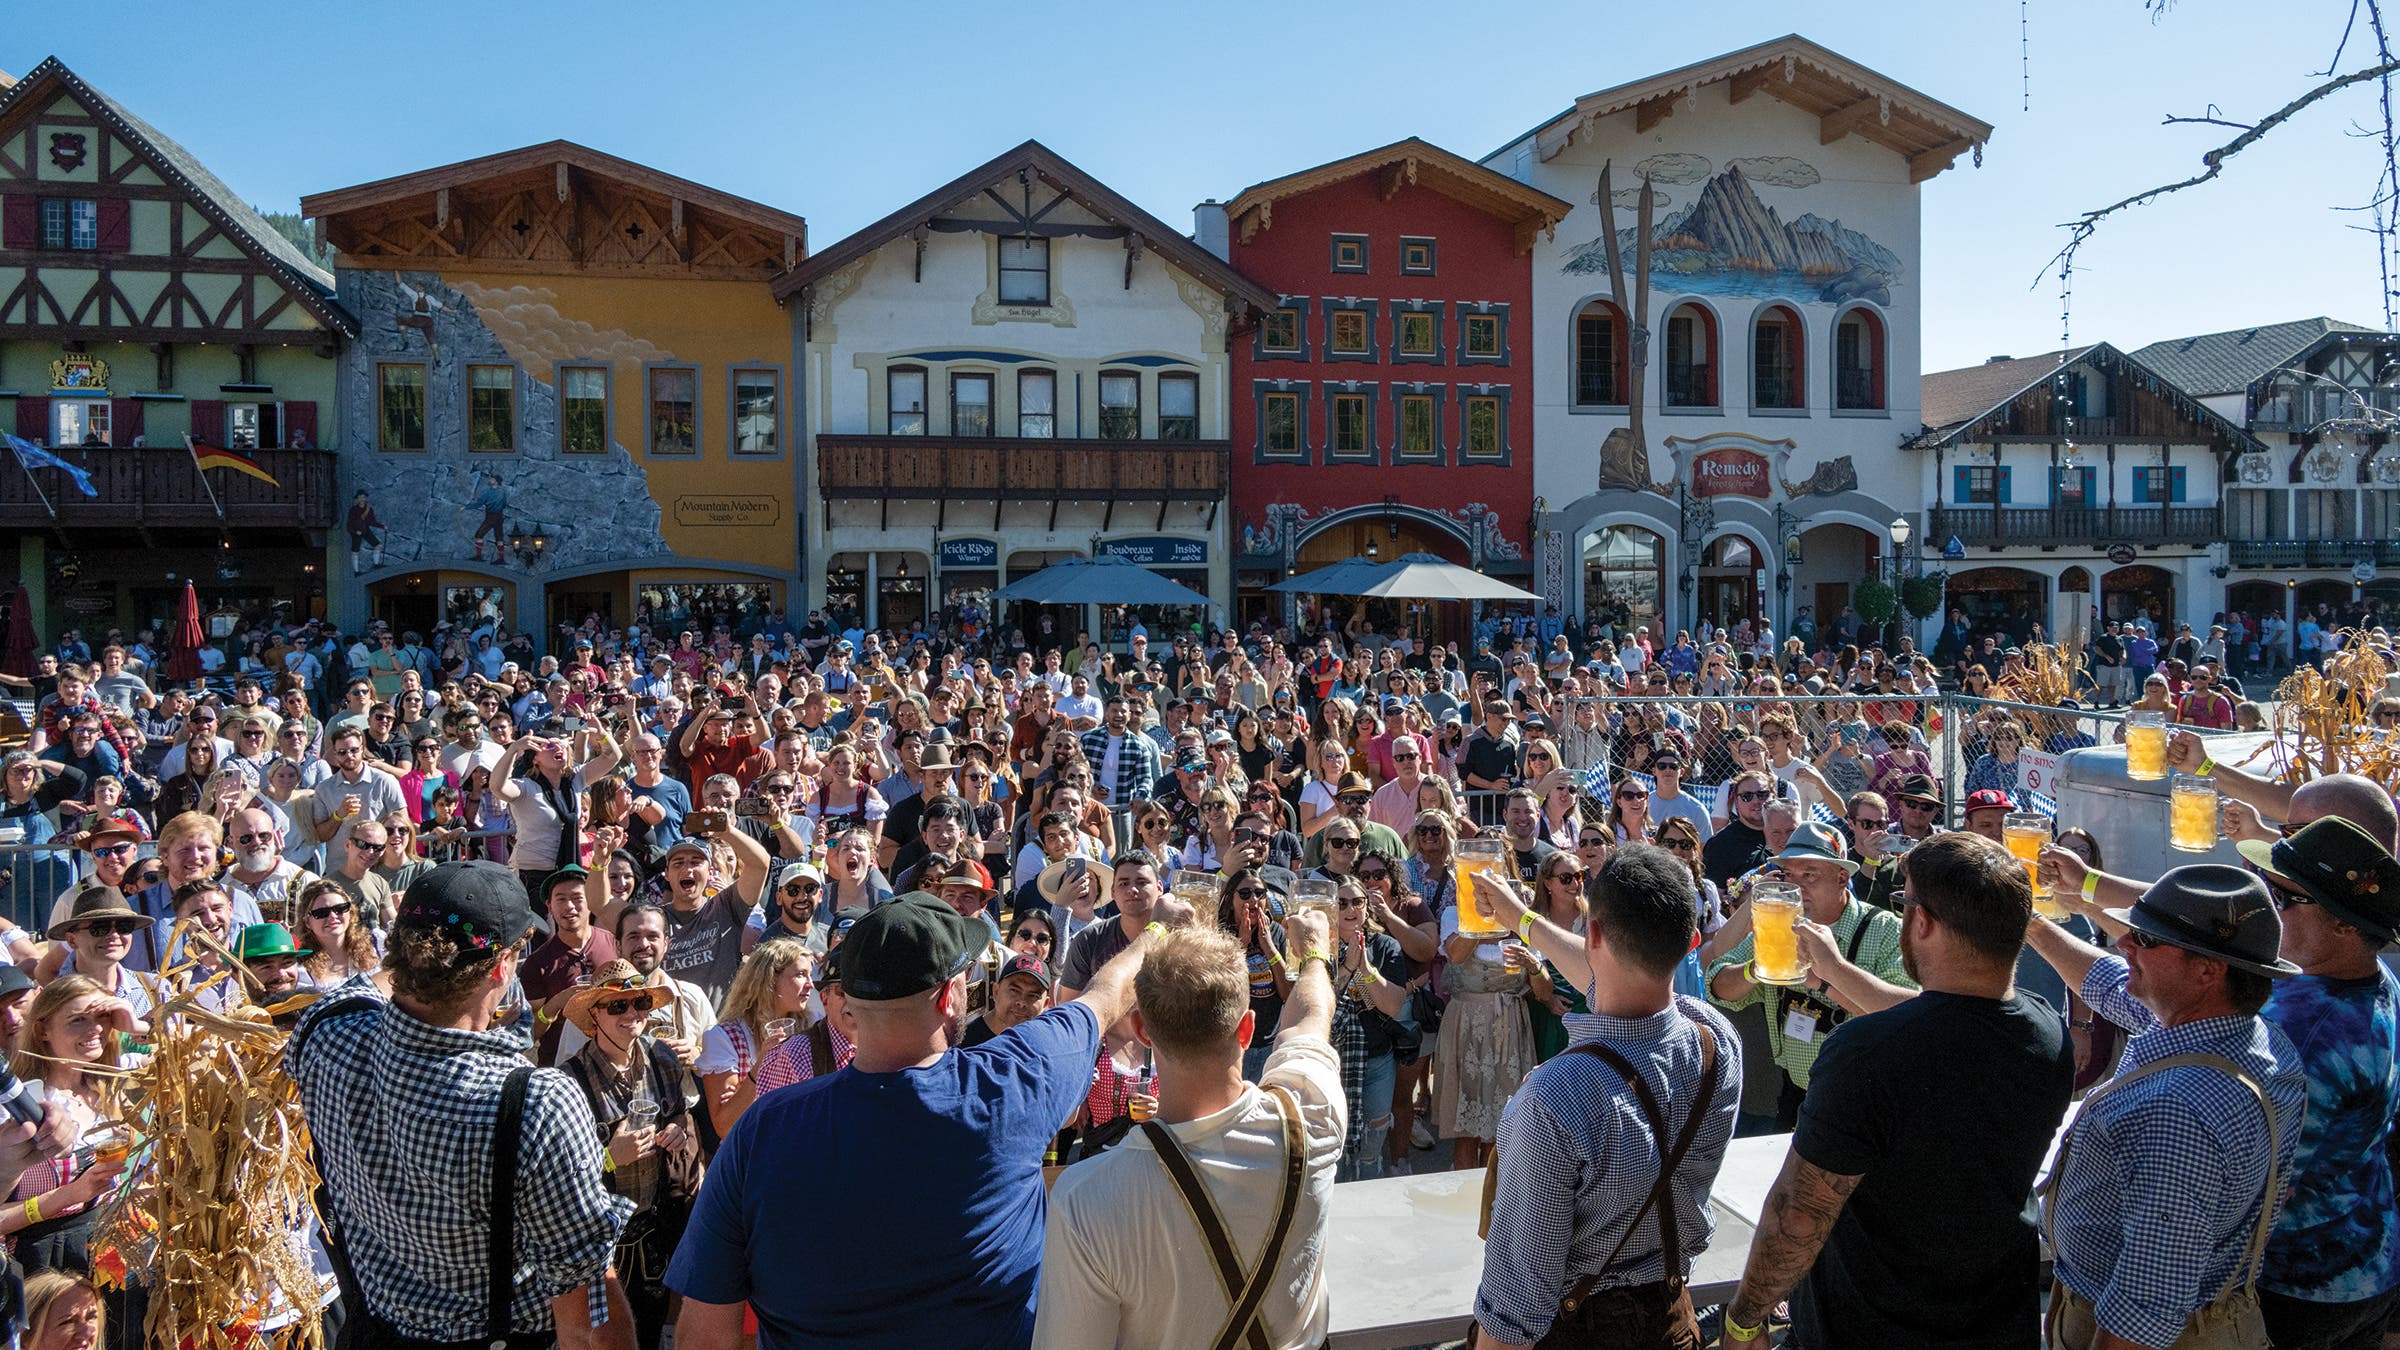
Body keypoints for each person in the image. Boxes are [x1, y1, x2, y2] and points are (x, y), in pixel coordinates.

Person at [667, 887, 1200, 1350]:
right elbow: (1106, 996)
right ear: (950, 997)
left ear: (847, 1004)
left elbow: (704, 1332)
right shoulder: (1012, 1082)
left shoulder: (763, 1129)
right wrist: (1157, 929)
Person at [1717, 833, 2075, 1349]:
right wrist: (1835, 973)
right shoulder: (2046, 1029)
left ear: (1922, 922)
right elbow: (1940, 1022)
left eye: (1903, 903)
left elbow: (1800, 1212)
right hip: (1999, 1323)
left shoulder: (1867, 1053)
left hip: (1868, 1329)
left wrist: (1744, 1320)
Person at [287, 860, 636, 1350]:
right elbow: (587, 1321)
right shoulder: (536, 1102)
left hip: (372, 1328)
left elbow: (371, 990)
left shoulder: (326, 1033)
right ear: (503, 966)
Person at [1468, 845, 1742, 1350]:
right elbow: (1616, 983)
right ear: (1691, 943)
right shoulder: (1716, 1040)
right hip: (1672, 1318)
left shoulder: (1552, 1100)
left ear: (1592, 934)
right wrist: (1524, 918)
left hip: (1578, 1330)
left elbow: (1515, 1312)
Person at [2023, 865, 2306, 1350]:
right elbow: (2110, 984)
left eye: (2146, 940)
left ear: (2208, 969)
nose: (2125, 945)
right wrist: (2031, 924)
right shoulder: (2243, 1032)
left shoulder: (2180, 1109)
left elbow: (2145, 1305)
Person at [1035, 907, 1344, 1350]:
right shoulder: (1311, 1116)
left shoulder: (1086, 1198)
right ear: (1246, 1029)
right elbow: (1309, 1019)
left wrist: (1155, 930)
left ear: (1142, 1030)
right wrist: (1314, 953)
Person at [2231, 818, 2400, 1347]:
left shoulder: (2299, 1030)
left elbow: (2253, 1179)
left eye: (2283, 897)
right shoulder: (2376, 978)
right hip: (2370, 1265)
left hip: (2297, 1289)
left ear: (2346, 926)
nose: (2267, 905)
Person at [1707, 823, 1914, 1128]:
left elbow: (1904, 1019)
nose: (1796, 887)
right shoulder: (1778, 924)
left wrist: (1823, 980)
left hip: (1866, 1100)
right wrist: (1757, 970)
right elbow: (1716, 984)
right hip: (1796, 1095)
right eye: (1789, 875)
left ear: (1842, 878)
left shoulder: (1883, 929)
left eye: (1810, 875)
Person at [558, 962, 701, 1350]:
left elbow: (681, 1115)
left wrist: (678, 1129)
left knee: (652, 1328)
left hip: (656, 1230)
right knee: (606, 1339)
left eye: (638, 1003)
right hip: (601, 1245)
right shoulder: (569, 1080)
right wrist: (608, 1158)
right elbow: (555, 1177)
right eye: (616, 1006)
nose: (632, 1015)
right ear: (595, 1015)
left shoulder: (662, 1059)